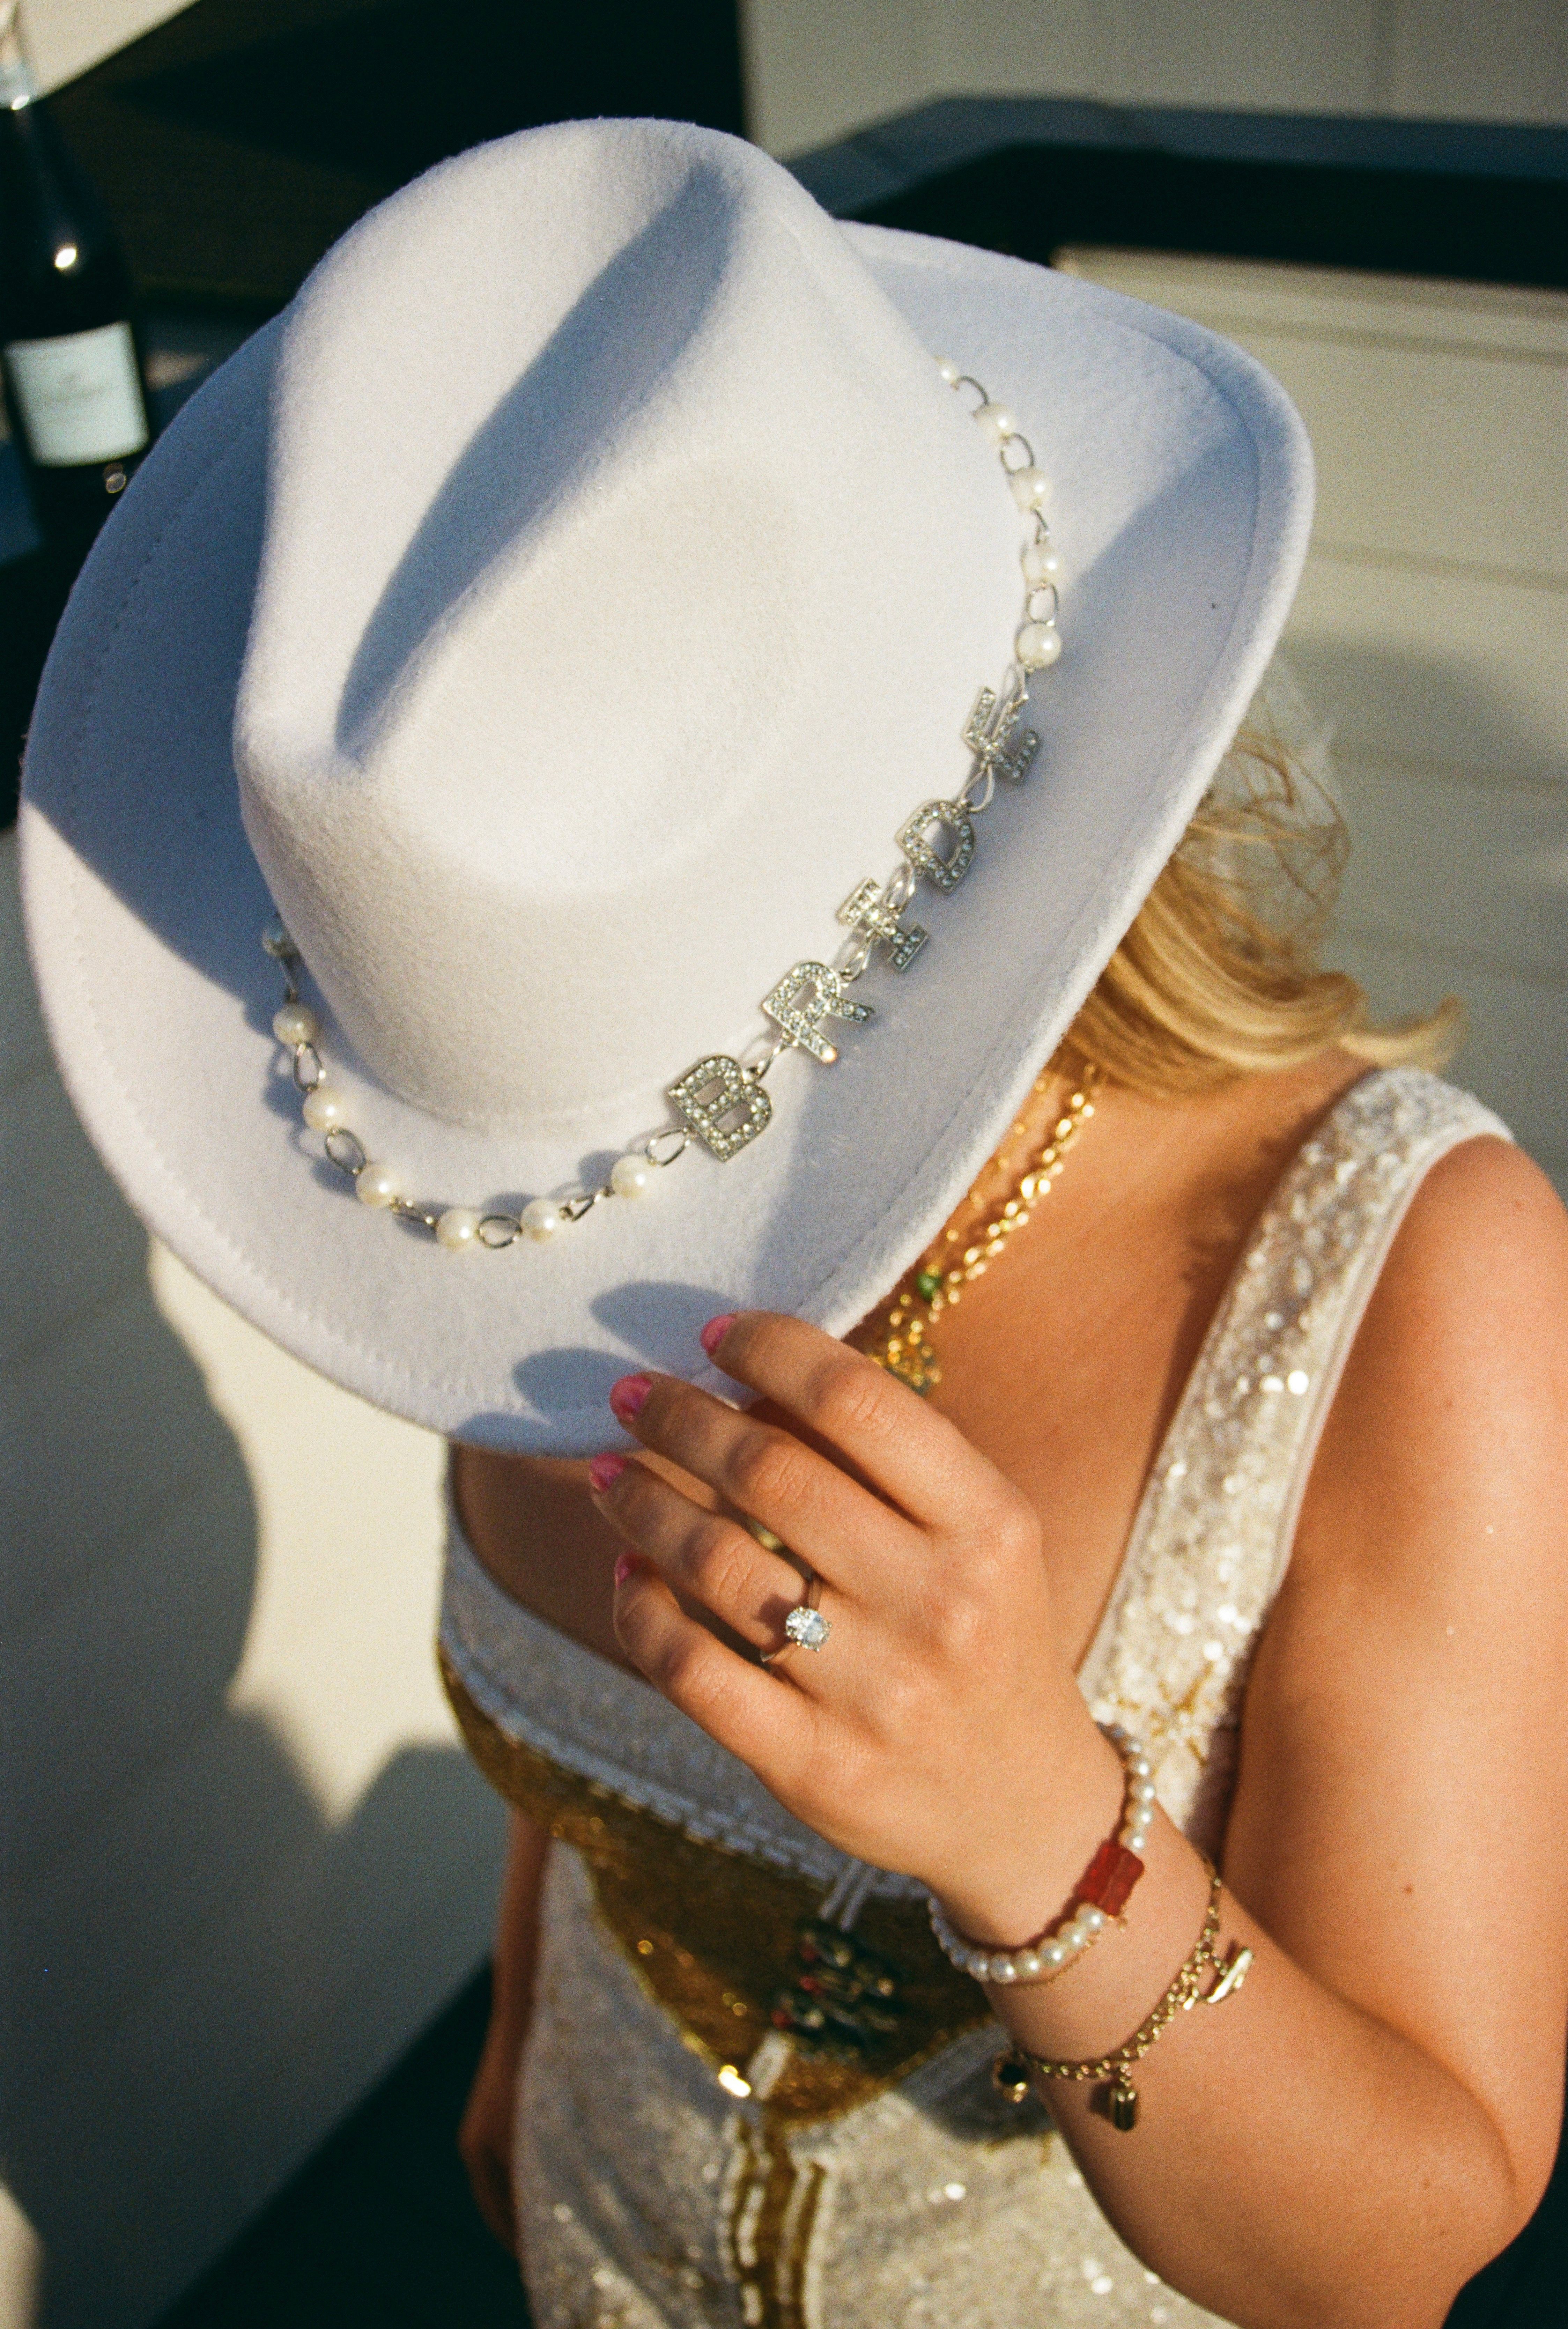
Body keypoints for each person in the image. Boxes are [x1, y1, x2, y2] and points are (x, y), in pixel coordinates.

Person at [21, 118, 1567, 2329]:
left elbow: (1404, 2242)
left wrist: (1041, 1832)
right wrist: (522, 2020)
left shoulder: (1401, 1283)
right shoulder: (532, 1182)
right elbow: (585, 1770)